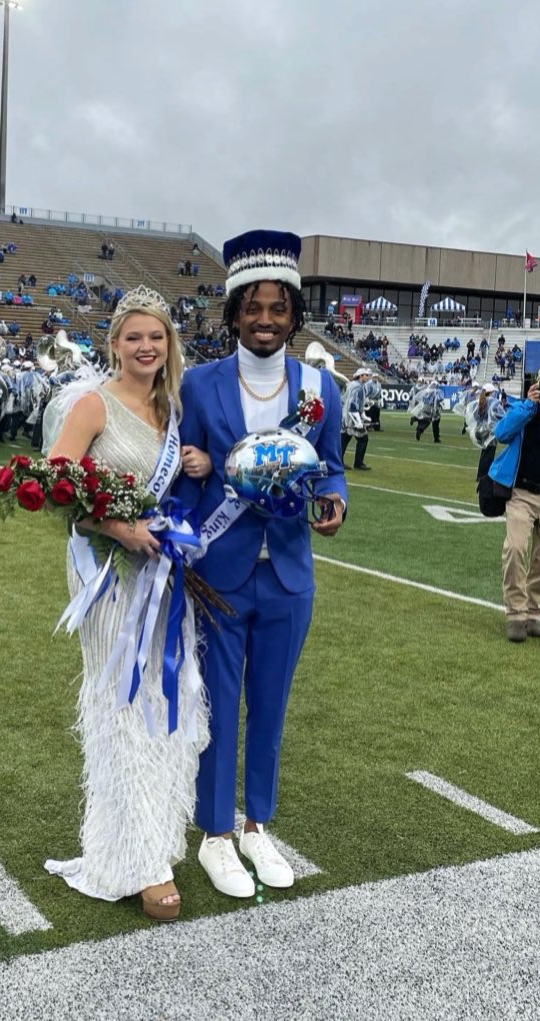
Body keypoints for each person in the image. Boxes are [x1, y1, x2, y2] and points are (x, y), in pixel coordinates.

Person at [175, 229, 347, 898]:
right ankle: (215, 833)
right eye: (254, 307)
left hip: (289, 575)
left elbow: (330, 466)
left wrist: (334, 499)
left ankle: (256, 823)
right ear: (234, 313)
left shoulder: (317, 389)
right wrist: (191, 503)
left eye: (279, 308)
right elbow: (181, 478)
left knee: (269, 707)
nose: (267, 319)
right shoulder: (200, 384)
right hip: (219, 571)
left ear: (295, 315)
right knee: (218, 707)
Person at [43, 285, 212, 920]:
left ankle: (145, 840)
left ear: (169, 345)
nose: (145, 347)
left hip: (162, 575)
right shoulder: (94, 405)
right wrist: (120, 529)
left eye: (156, 336)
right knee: (119, 704)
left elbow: (180, 493)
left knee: (164, 703)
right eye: (133, 336)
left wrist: (196, 463)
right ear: (113, 344)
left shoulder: (173, 413)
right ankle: (144, 864)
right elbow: (56, 487)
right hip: (109, 574)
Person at [488, 364, 540, 642]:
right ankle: (515, 613)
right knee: (515, 549)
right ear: (537, 387)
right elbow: (501, 433)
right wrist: (530, 406)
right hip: (522, 492)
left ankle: (533, 610)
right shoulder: (525, 410)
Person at [341, 367, 372, 469]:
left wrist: (363, 415)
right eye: (366, 375)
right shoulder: (357, 387)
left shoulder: (354, 385)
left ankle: (339, 461)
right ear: (360, 376)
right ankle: (358, 463)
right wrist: (358, 421)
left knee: (344, 438)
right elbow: (353, 405)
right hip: (351, 417)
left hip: (347, 416)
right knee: (363, 438)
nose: (367, 377)